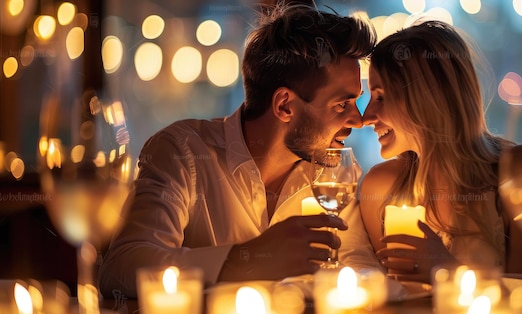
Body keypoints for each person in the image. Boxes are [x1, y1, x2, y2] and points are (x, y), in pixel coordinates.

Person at [98, 2, 381, 298]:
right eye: (342, 104)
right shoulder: (183, 152)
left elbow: (358, 261)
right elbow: (122, 268)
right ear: (284, 105)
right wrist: (249, 259)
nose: (359, 121)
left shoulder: (334, 172)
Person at [359, 20, 522, 283]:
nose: (366, 116)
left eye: (381, 97)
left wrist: (446, 270)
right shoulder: (380, 187)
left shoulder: (519, 169)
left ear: (427, 98)